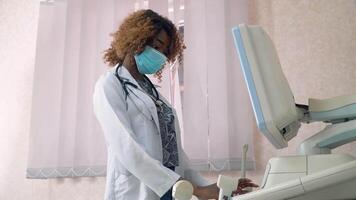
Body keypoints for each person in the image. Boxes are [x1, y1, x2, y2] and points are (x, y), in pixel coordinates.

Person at [93, 9, 257, 200]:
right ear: (137, 40)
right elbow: (126, 147)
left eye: (164, 51)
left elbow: (174, 152)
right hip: (136, 191)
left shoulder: (151, 91)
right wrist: (195, 190)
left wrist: (210, 187)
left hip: (170, 190)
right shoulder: (110, 85)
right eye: (157, 46)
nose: (160, 55)